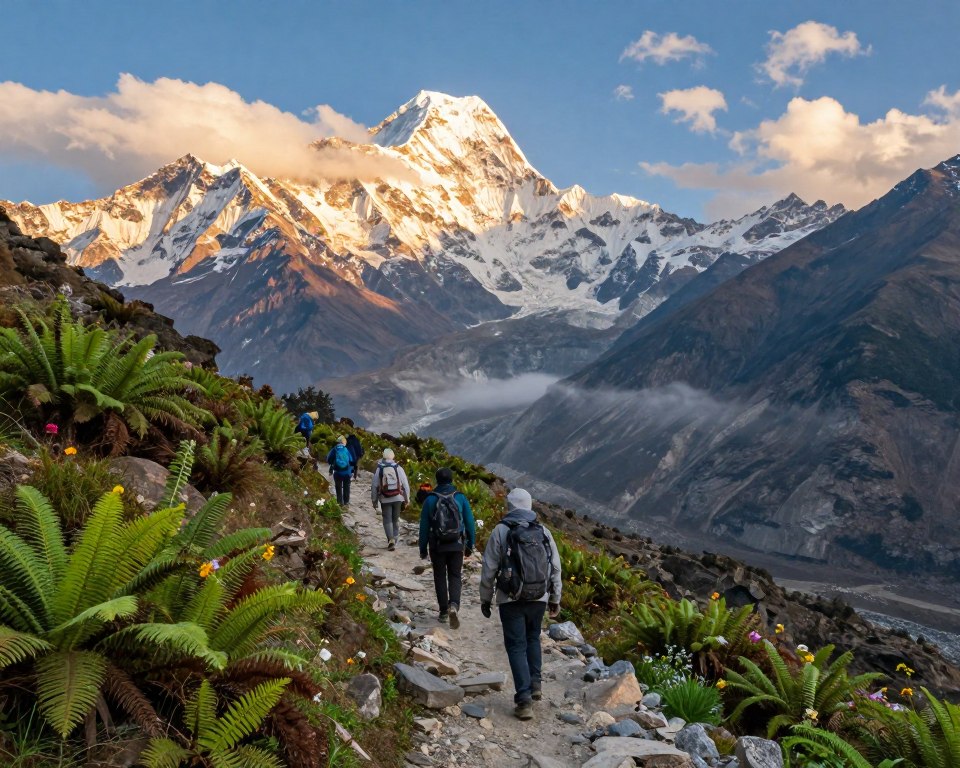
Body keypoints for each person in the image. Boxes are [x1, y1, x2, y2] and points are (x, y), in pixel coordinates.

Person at [479, 488, 562, 721]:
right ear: (529, 505)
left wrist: (485, 598)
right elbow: (555, 567)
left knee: (516, 646)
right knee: (533, 638)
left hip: (511, 598)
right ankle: (536, 684)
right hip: (539, 598)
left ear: (510, 506)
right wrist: (555, 597)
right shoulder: (543, 531)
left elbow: (489, 569)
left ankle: (524, 699)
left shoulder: (501, 530)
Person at [418, 467, 475, 630]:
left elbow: (424, 526)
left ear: (437, 480)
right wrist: (470, 544)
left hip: (437, 545)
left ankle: (443, 611)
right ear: (451, 480)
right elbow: (470, 523)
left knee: (440, 576)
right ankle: (454, 605)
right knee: (455, 575)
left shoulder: (430, 500)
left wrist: (422, 548)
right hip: (457, 543)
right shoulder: (460, 498)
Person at [371, 448, 410, 551]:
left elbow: (374, 486)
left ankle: (390, 539)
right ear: (393, 457)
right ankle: (395, 539)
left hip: (385, 498)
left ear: (383, 456)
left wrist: (374, 501)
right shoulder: (398, 468)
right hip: (398, 497)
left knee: (387, 519)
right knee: (395, 518)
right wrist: (407, 499)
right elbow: (405, 485)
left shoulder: (379, 468)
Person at [326, 435, 354, 506]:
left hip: (337, 472)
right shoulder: (346, 449)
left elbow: (328, 459)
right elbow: (351, 460)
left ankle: (340, 503)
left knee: (338, 487)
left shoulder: (334, 449)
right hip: (347, 472)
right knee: (346, 486)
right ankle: (346, 502)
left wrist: (332, 464)